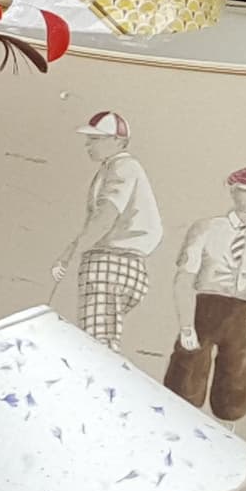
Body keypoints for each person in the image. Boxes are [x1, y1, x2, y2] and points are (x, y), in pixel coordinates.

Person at [164, 165, 246, 424]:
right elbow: (185, 276)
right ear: (232, 192)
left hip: (245, 313)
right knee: (185, 379)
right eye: (242, 191)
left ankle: (228, 429)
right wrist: (186, 325)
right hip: (205, 306)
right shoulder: (206, 229)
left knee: (236, 381)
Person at [49, 109, 161, 348]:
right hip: (125, 264)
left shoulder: (122, 167)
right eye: (89, 139)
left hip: (111, 262)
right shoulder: (116, 167)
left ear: (118, 141)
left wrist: (68, 254)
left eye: (96, 139)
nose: (88, 145)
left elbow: (105, 217)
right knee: (99, 339)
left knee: (97, 343)